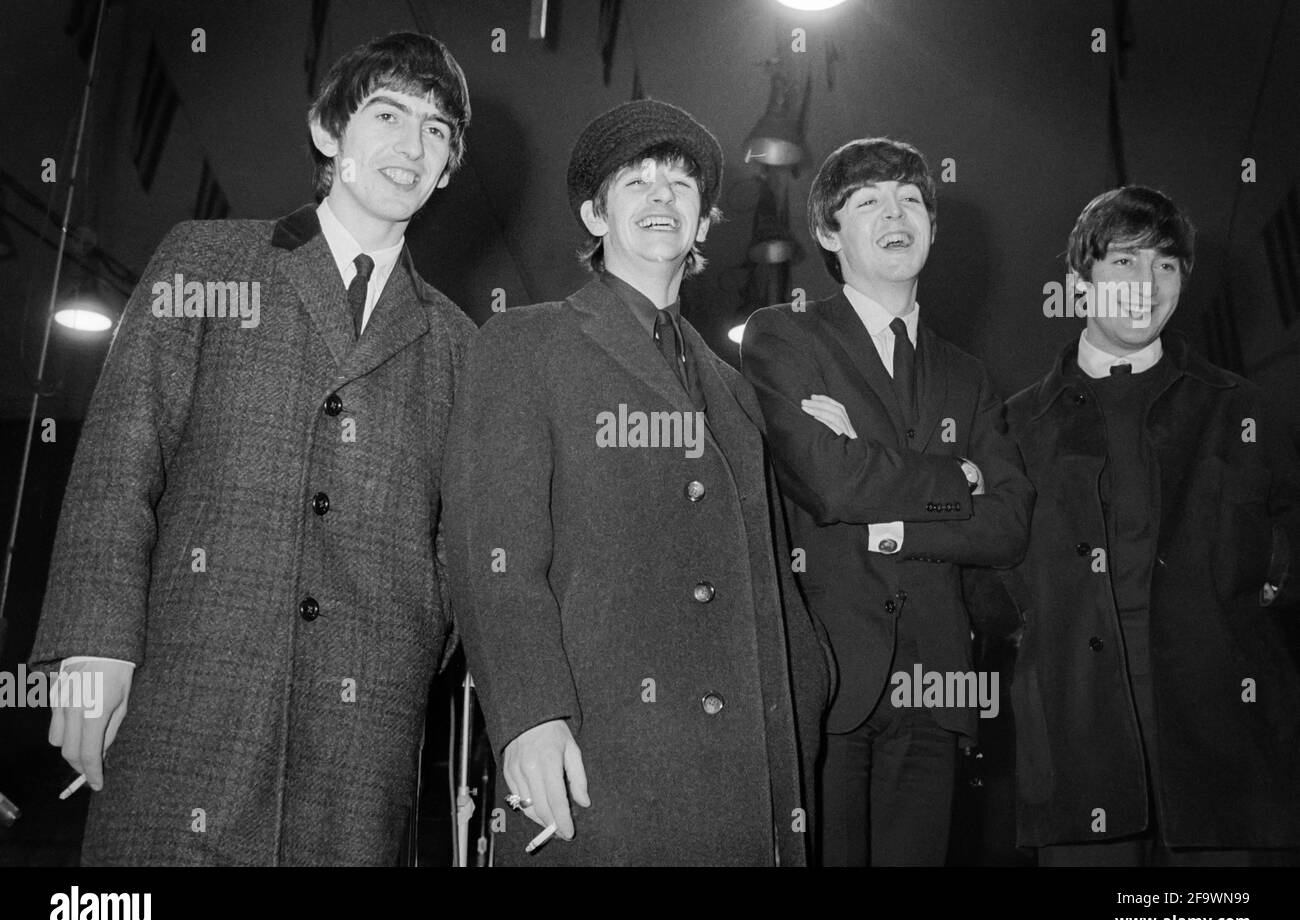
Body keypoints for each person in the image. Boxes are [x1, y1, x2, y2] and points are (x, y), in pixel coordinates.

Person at [30, 32, 477, 865]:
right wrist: (94, 646)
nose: (412, 146)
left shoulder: (459, 342)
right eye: (388, 114)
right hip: (189, 704)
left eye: (438, 130)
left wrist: (416, 644)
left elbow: (463, 536)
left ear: (449, 165)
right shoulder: (206, 259)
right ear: (327, 131)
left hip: (361, 749)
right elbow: (122, 459)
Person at [443, 99, 832, 866]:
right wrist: (527, 716)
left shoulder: (734, 388)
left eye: (682, 185)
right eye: (636, 182)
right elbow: (493, 558)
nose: (663, 197)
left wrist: (805, 696)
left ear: (703, 221)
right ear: (593, 214)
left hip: (746, 786)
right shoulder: (525, 344)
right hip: (597, 762)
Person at [740, 137, 1033, 866]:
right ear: (830, 235)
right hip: (828, 681)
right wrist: (951, 478)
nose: (895, 214)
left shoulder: (968, 374)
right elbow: (829, 482)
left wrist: (893, 524)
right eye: (868, 202)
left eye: (910, 200)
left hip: (936, 689)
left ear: (932, 225)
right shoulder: (785, 336)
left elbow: (1006, 525)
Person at [995, 185, 1300, 864]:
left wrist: (1267, 575)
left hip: (1223, 748)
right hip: (1077, 756)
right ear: (1080, 283)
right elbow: (987, 577)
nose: (1146, 283)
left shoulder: (1239, 407)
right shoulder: (1015, 425)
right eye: (1124, 262)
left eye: (1165, 265)